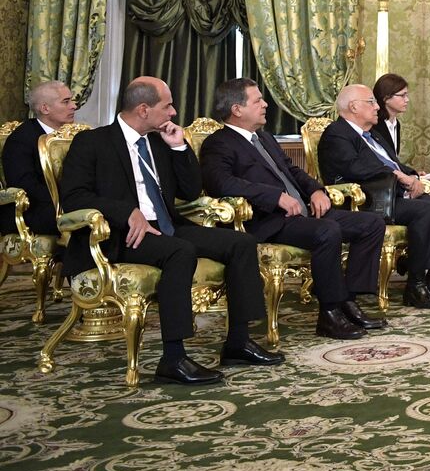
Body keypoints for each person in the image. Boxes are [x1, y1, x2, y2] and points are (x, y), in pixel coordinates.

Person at [59, 77, 280, 384]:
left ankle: (238, 342)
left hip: (167, 227)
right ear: (143, 109)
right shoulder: (93, 143)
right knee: (181, 251)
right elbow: (74, 197)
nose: (174, 112)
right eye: (168, 106)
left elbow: (190, 192)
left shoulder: (159, 142)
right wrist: (127, 213)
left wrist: (178, 148)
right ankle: (173, 358)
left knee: (241, 243)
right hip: (120, 235)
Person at [201, 78, 388, 340]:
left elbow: (292, 170)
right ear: (237, 109)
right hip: (269, 219)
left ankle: (348, 299)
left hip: (303, 213)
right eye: (258, 100)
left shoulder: (263, 138)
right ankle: (330, 314)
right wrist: (274, 196)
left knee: (371, 224)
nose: (266, 104)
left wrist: (315, 190)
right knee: (328, 230)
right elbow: (221, 182)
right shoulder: (218, 143)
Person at [319, 85, 430, 308]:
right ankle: (415, 286)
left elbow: (394, 164)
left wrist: (412, 174)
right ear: (353, 106)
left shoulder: (372, 135)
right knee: (425, 210)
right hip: (367, 202)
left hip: (394, 195)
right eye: (371, 102)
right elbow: (355, 168)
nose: (377, 107)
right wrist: (398, 176)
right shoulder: (337, 134)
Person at [1, 80, 76, 236]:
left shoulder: (77, 136)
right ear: (45, 108)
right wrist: (68, 198)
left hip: (68, 201)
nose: (74, 106)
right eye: (66, 102)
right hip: (34, 209)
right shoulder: (21, 139)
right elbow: (25, 184)